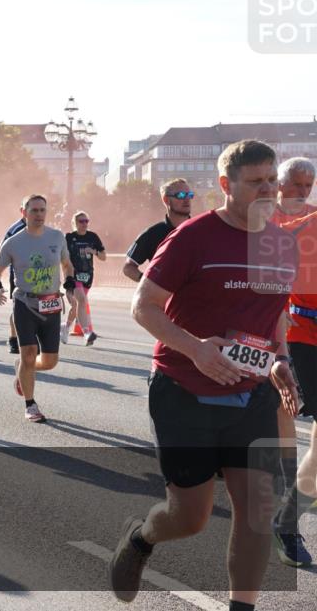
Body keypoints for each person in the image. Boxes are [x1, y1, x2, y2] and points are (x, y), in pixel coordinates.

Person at [109, 140, 300, 610]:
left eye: (272, 180)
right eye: (256, 182)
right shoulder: (192, 237)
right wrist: (196, 350)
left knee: (256, 512)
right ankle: (141, 538)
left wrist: (280, 361)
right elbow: (143, 306)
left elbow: (274, 316)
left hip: (251, 394)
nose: (268, 190)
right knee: (188, 518)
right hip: (184, 389)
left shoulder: (283, 243)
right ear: (225, 186)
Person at [270, 158, 317, 568]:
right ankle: (286, 523)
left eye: (309, 184)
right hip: (300, 340)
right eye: (295, 184)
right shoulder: (278, 229)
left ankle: (286, 518)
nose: (302, 191)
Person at [0, 194, 74, 423]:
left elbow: (67, 265)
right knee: (29, 354)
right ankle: (30, 404)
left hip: (51, 304)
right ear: (24, 212)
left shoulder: (57, 237)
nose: (39, 215)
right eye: (34, 210)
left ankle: (23, 369)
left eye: (42, 210)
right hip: (25, 303)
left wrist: (68, 284)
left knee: (49, 362)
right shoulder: (13, 243)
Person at [122, 178, 194, 282]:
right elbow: (128, 268)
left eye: (190, 195)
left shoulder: (201, 231)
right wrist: (148, 282)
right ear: (166, 200)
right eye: (181, 195)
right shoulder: (152, 234)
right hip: (163, 297)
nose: (187, 199)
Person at [62, 211, 105, 346]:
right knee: (82, 300)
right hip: (73, 275)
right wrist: (66, 279)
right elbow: (63, 259)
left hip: (87, 276)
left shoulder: (93, 237)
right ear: (75, 223)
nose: (84, 224)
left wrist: (94, 252)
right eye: (81, 221)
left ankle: (65, 326)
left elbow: (104, 257)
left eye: (86, 221)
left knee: (77, 305)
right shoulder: (69, 237)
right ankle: (87, 333)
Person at [1, 215, 27, 354]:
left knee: (36, 307)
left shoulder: (43, 229)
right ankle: (13, 339)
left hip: (38, 276)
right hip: (18, 275)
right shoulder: (15, 228)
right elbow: (2, 250)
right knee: (18, 307)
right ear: (24, 211)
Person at [270, 157, 317, 227]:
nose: (304, 192)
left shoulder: (314, 215)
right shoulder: (262, 216)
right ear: (279, 185)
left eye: (308, 185)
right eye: (297, 185)